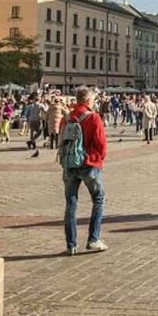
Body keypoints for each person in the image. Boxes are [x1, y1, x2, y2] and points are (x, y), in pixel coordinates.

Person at [58, 88, 108, 255]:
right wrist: (98, 160)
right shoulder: (93, 117)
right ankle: (93, 239)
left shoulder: (67, 118)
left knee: (71, 204)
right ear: (88, 101)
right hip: (89, 163)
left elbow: (61, 141)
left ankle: (70, 244)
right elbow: (101, 144)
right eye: (93, 100)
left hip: (70, 164)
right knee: (98, 199)